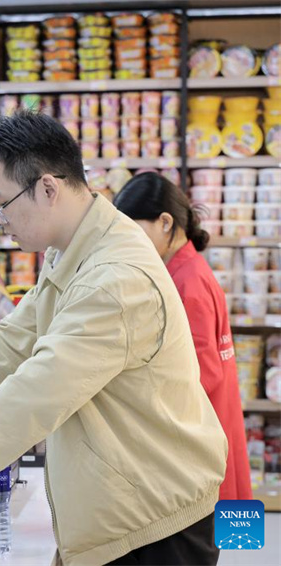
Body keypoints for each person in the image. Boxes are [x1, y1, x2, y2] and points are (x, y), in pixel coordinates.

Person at [0, 111, 228, 566]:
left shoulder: (113, 279)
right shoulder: (74, 248)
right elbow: (15, 337)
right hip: (120, 509)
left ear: (48, 188)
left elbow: (37, 392)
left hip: (151, 526)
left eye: (0, 202)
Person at [114, 172, 252, 501]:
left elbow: (201, 373)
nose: (127, 240)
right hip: (217, 420)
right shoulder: (186, 269)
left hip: (202, 432)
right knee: (229, 524)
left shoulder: (186, 282)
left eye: (135, 229)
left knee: (213, 535)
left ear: (164, 222)